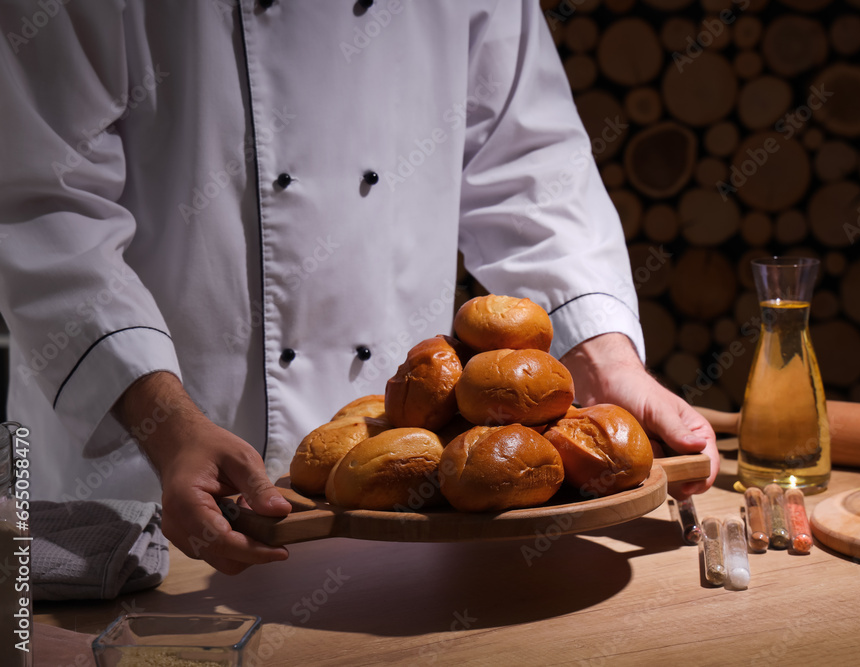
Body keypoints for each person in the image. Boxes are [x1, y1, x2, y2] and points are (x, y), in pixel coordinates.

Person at [0, 0, 718, 574]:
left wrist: (605, 361)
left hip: (396, 495)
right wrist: (167, 425)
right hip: (136, 477)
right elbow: (38, 203)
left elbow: (527, 164)